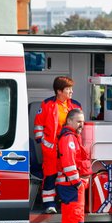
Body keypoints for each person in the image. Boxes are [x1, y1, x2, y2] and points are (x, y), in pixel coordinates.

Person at [34, 76, 82, 213]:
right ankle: (49, 205)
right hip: (51, 149)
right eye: (68, 89)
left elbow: (80, 126)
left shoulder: (76, 105)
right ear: (59, 91)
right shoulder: (47, 104)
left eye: (71, 89)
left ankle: (65, 202)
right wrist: (43, 141)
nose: (71, 92)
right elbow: (38, 125)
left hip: (68, 148)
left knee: (67, 175)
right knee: (50, 175)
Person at [56, 109, 93, 223]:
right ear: (69, 121)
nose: (81, 125)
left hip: (68, 185)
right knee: (75, 222)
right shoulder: (69, 138)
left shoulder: (70, 137)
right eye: (78, 121)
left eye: (83, 121)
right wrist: (78, 183)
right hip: (72, 186)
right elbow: (69, 164)